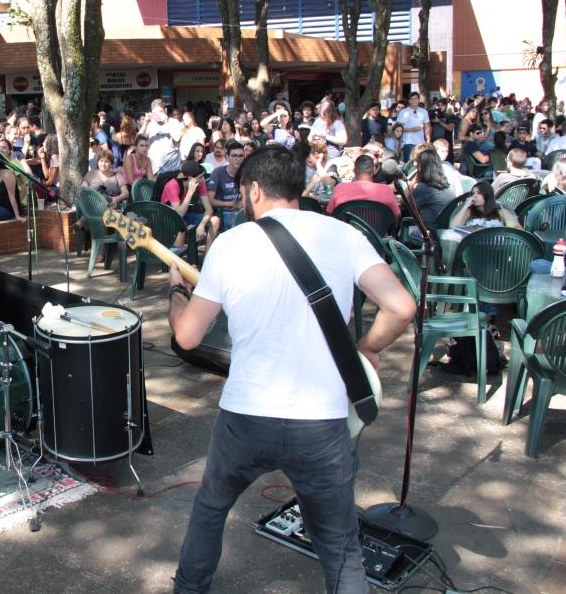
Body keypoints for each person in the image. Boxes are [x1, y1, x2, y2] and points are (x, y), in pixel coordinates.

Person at [168, 144, 415, 594]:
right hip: (321, 423)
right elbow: (401, 306)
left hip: (246, 416)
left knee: (211, 507)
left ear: (255, 189)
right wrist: (367, 346)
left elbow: (186, 337)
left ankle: (188, 588)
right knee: (340, 547)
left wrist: (175, 294)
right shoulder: (344, 235)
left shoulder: (230, 243)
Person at [161, 159, 220, 249]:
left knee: (215, 220)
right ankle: (177, 259)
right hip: (169, 218)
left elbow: (209, 209)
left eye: (203, 176)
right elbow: (178, 214)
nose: (203, 180)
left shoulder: (200, 183)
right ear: (190, 179)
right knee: (181, 232)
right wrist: (190, 192)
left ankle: (207, 258)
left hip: (185, 215)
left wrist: (202, 225)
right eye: (200, 177)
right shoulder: (172, 185)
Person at [325, 154, 402, 218]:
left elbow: (329, 214)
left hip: (347, 235)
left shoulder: (340, 188)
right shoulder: (386, 190)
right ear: (373, 171)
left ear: (354, 171)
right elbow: (396, 216)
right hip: (377, 235)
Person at [206, 141, 246, 230]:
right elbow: (210, 200)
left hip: (244, 210)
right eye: (234, 155)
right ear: (227, 157)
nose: (238, 159)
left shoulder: (247, 172)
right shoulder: (218, 173)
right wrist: (230, 204)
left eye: (241, 156)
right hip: (224, 211)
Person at [449, 181, 519, 228]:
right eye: (473, 193)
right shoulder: (469, 212)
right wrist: (465, 206)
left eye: (479, 193)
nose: (475, 196)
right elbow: (452, 227)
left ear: (487, 195)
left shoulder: (502, 212)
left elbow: (518, 230)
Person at [412, 149, 454, 227]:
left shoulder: (424, 187)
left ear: (421, 166)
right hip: (446, 224)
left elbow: (408, 204)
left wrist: (412, 183)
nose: (415, 165)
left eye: (417, 162)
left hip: (429, 228)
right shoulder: (447, 183)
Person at [145, 99, 185, 174]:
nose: (158, 115)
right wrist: (145, 123)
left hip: (172, 170)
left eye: (160, 112)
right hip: (154, 170)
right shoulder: (150, 124)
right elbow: (140, 141)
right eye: (155, 113)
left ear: (165, 111)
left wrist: (166, 122)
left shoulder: (174, 122)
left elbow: (177, 138)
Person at [396, 91, 431, 161]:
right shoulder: (403, 112)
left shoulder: (424, 112)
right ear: (409, 101)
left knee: (421, 162)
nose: (414, 100)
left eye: (416, 98)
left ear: (419, 99)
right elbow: (398, 128)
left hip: (421, 142)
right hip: (408, 142)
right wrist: (412, 129)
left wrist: (428, 139)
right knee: (410, 163)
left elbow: (427, 126)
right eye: (412, 99)